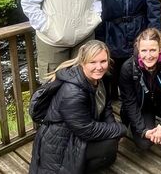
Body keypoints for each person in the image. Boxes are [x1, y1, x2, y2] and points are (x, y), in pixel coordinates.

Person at [29, 40, 127, 173]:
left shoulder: (101, 78)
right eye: (93, 62)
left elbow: (106, 107)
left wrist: (114, 128)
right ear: (82, 62)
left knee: (111, 142)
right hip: (59, 144)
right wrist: (119, 129)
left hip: (76, 133)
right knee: (109, 145)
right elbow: (87, 130)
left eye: (103, 61)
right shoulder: (72, 91)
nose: (99, 67)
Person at [97, 0, 161, 100]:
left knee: (137, 66)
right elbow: (97, 4)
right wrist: (99, 34)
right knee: (113, 68)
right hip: (112, 30)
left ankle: (137, 101)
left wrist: (154, 33)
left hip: (138, 27)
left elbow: (153, 4)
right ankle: (110, 102)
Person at [119, 28, 161, 165]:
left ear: (160, 48)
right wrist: (143, 131)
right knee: (144, 144)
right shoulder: (128, 67)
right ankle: (146, 132)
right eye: (144, 50)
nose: (148, 55)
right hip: (142, 106)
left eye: (153, 50)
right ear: (138, 49)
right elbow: (129, 103)